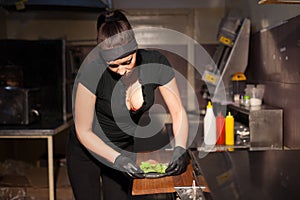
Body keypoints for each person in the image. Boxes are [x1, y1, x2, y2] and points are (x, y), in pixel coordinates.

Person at [66, 9, 190, 200]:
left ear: (135, 49)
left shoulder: (156, 63)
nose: (122, 70)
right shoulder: (91, 73)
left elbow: (178, 111)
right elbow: (84, 130)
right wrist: (117, 159)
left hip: (122, 147)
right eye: (113, 66)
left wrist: (180, 148)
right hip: (86, 151)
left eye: (127, 62)